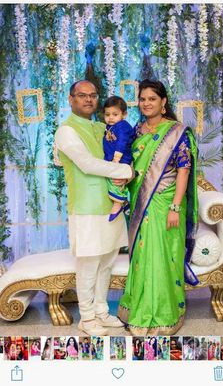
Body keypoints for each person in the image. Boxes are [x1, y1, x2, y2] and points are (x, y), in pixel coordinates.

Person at [118, 79, 199, 336]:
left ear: (163, 102)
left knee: (164, 256)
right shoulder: (137, 130)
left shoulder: (177, 132)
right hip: (142, 204)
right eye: (142, 99)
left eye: (152, 99)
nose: (146, 103)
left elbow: (183, 172)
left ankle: (166, 314)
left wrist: (175, 207)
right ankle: (139, 309)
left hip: (166, 203)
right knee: (143, 256)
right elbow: (132, 165)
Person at [55, 80, 132, 336]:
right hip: (87, 208)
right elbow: (87, 164)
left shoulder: (102, 126)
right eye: (82, 95)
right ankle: (86, 318)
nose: (88, 99)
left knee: (107, 262)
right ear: (71, 99)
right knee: (88, 265)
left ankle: (101, 311)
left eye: (93, 95)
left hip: (110, 205)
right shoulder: (66, 131)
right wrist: (126, 170)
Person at [103, 96, 134, 221]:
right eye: (107, 114)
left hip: (121, 158)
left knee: (116, 180)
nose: (110, 117)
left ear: (124, 114)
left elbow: (122, 141)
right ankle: (125, 202)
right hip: (112, 159)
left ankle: (118, 204)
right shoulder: (109, 126)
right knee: (110, 180)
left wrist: (116, 158)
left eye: (115, 114)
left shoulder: (122, 126)